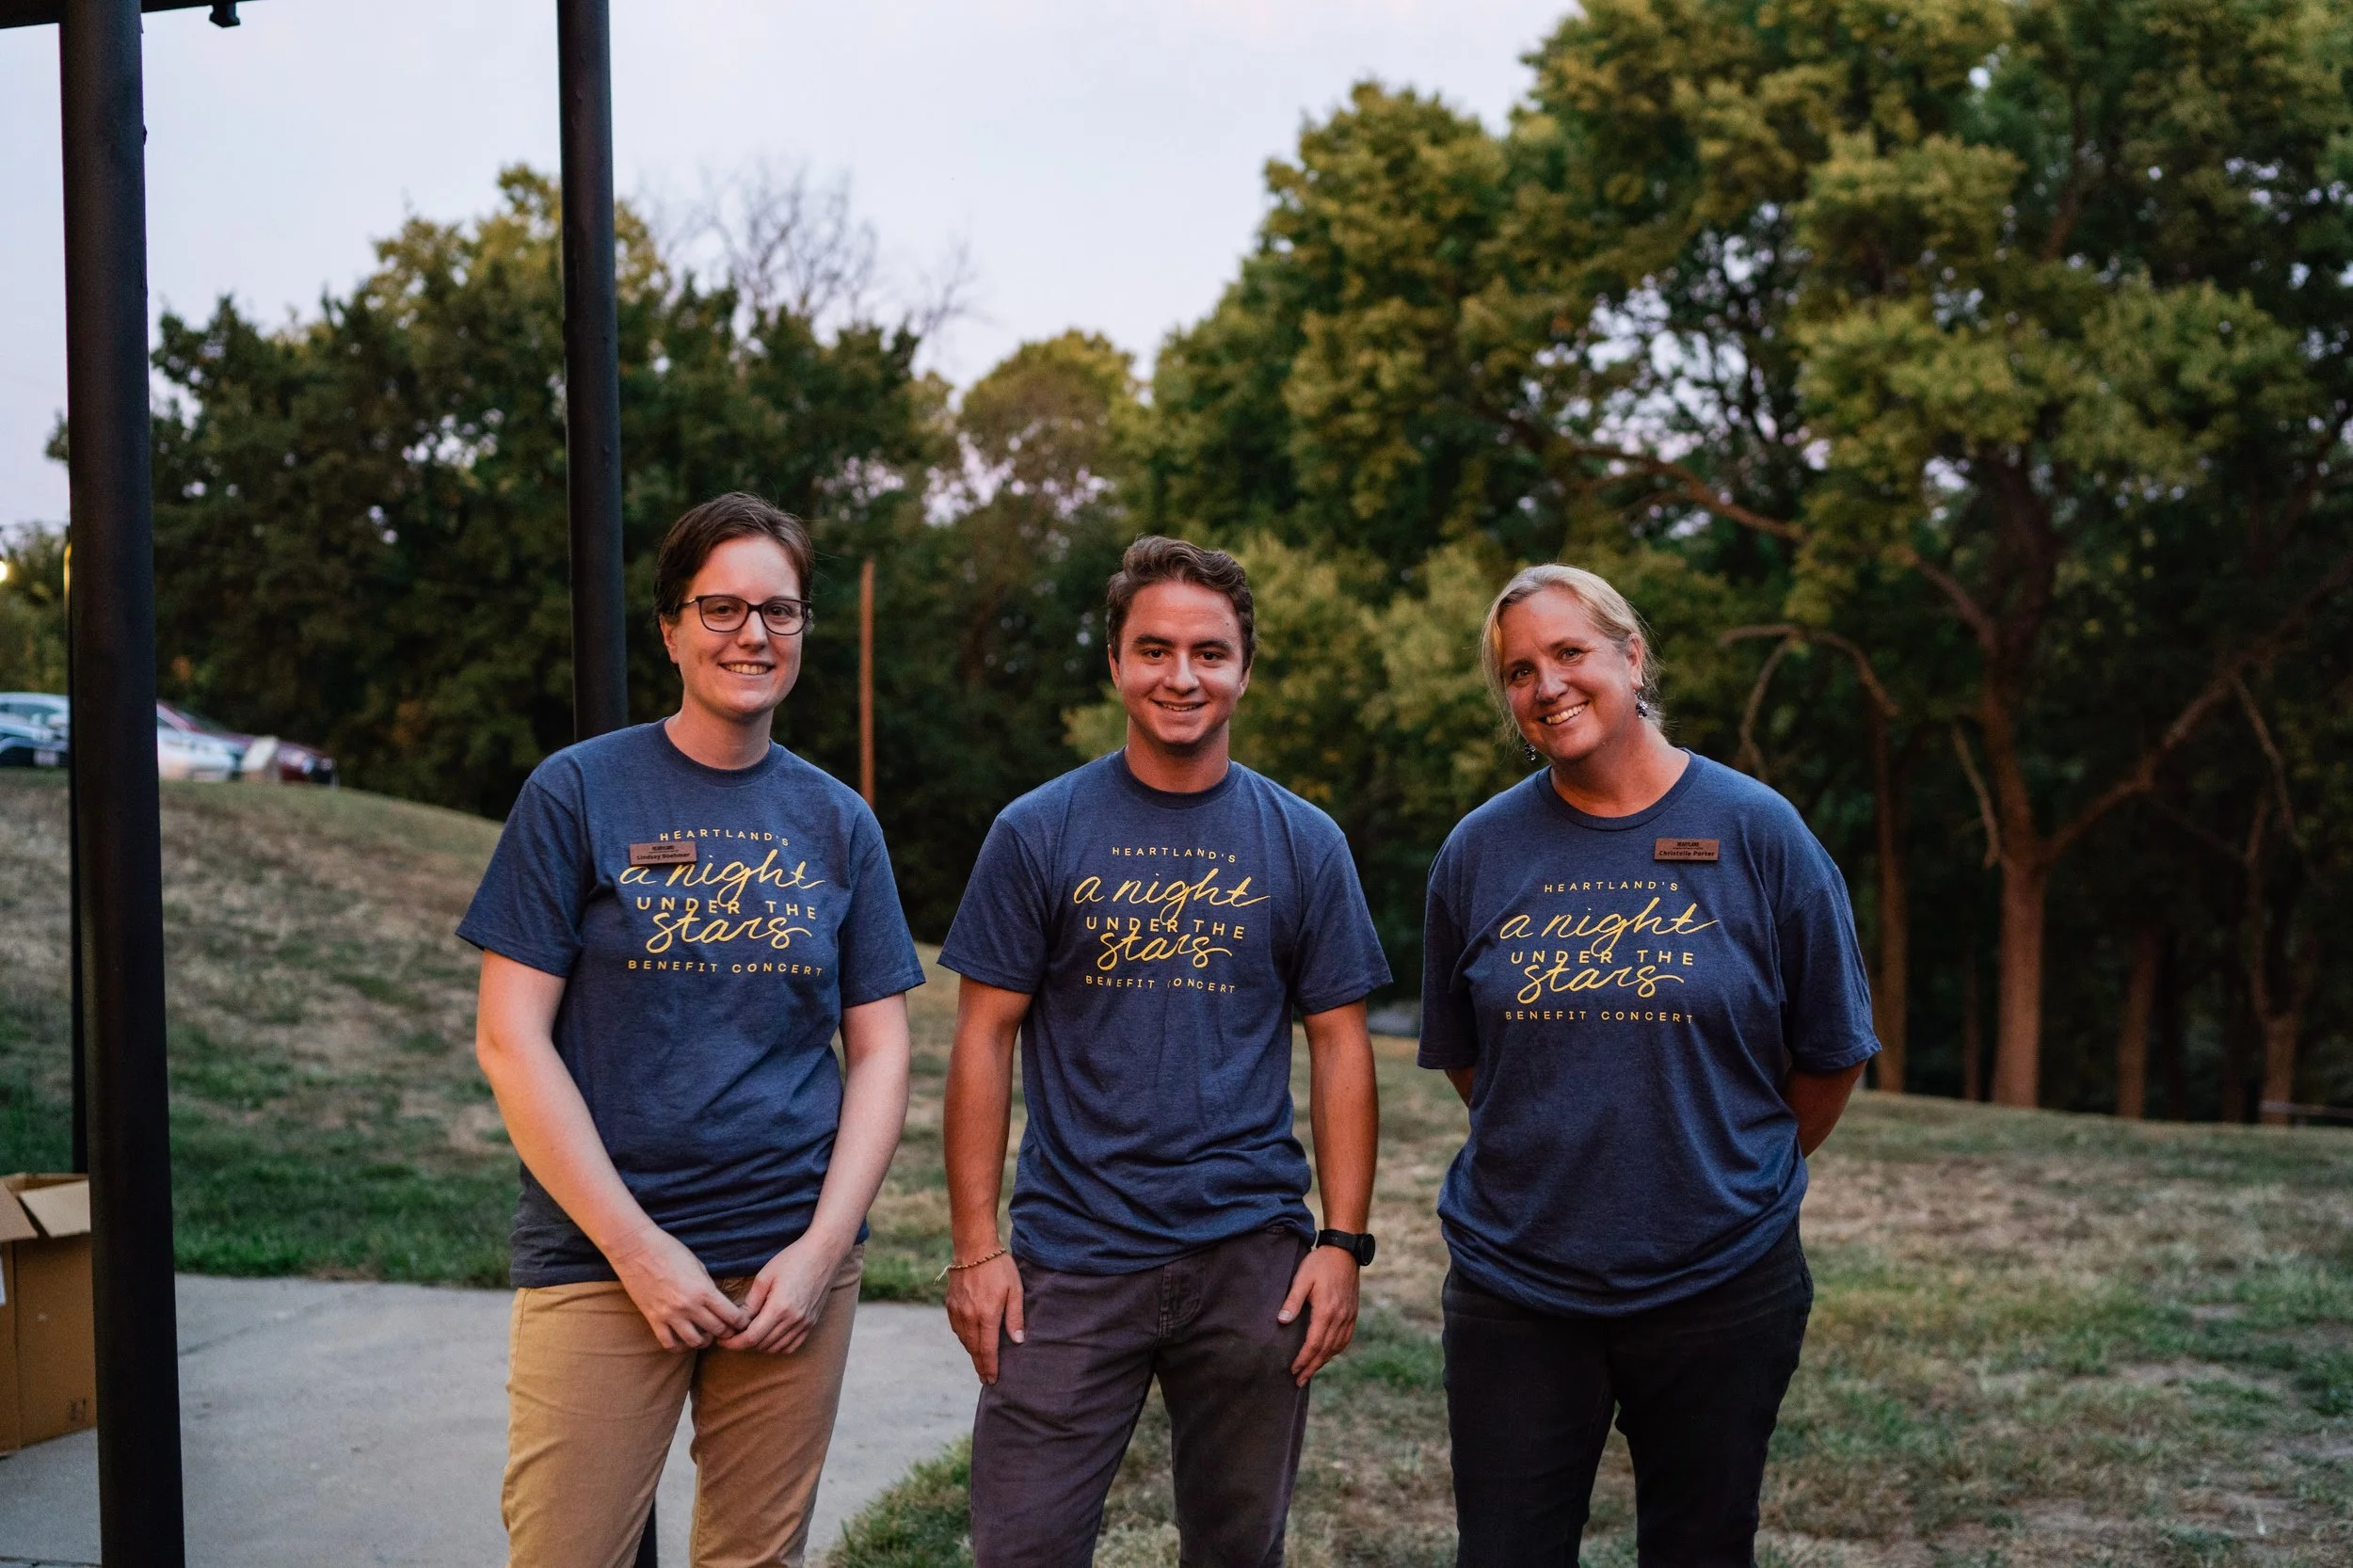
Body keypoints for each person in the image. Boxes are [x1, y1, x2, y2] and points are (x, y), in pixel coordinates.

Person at [459, 493, 922, 1568]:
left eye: (780, 611)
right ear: (669, 628)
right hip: (599, 1256)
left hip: (786, 1268)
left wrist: (818, 1252)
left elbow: (884, 1050)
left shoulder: (837, 821)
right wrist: (639, 1250)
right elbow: (509, 1038)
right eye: (721, 608)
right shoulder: (576, 792)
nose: (752, 635)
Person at [937, 536, 1391, 1567]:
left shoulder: (1303, 840)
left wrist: (1342, 1242)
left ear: (1243, 668)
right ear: (1113, 662)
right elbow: (983, 1037)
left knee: (1238, 1548)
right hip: (1069, 1255)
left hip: (1251, 1262)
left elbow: (1339, 1044)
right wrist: (976, 1248)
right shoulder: (1037, 829)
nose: (1180, 676)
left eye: (1208, 652)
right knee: (1022, 1547)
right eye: (1153, 649)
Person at [1419, 564, 1878, 1568]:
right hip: (1517, 1281)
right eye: (1518, 670)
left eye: (1570, 653)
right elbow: (1476, 1063)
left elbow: (1830, 1052)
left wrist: (1718, 1158)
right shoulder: (1478, 852)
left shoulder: (1759, 830)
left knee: (1701, 1550)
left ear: (1631, 656)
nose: (1546, 686)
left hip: (1721, 1278)